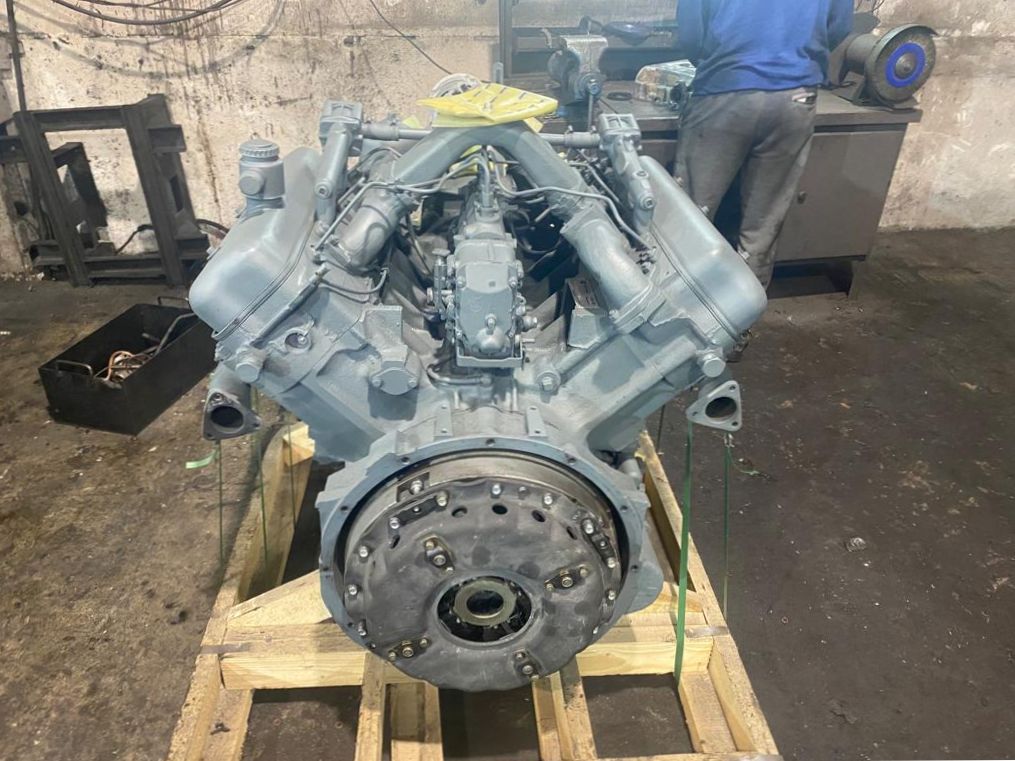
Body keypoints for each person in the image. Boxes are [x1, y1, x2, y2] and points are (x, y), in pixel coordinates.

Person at [675, 0, 854, 288]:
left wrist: (721, 63)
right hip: (795, 96)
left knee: (691, 215)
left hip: (725, 88)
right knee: (762, 226)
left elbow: (691, 33)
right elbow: (839, 27)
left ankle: (684, 305)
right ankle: (744, 308)